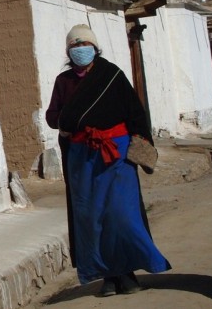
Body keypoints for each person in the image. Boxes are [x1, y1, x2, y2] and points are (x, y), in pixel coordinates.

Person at [45, 24, 171, 297]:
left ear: (94, 47)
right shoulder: (63, 82)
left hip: (116, 154)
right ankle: (109, 276)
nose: (80, 49)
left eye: (84, 44)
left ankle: (129, 271)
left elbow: (135, 113)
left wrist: (141, 144)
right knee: (91, 217)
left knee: (121, 214)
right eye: (75, 45)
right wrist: (66, 123)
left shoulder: (111, 76)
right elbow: (53, 117)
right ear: (68, 50)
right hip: (82, 159)